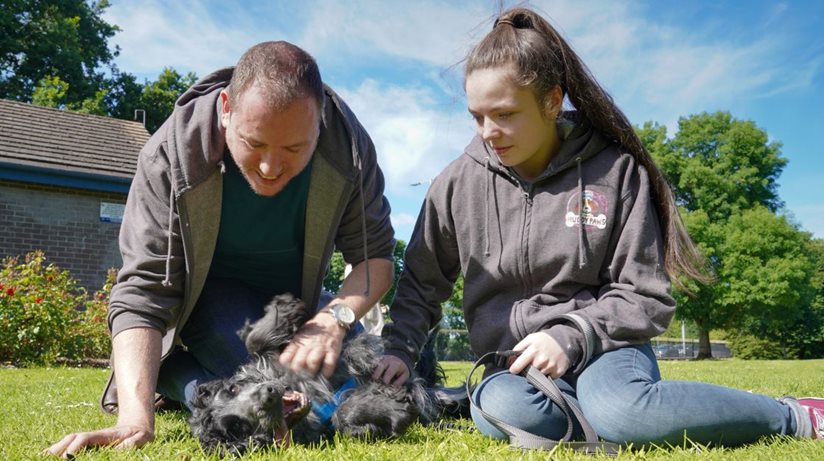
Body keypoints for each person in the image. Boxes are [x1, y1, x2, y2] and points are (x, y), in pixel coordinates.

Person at [374, 7, 823, 448]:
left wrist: (569, 335)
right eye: (478, 116)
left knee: (621, 409)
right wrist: (399, 349)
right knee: (498, 411)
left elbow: (646, 294)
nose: (489, 131)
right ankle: (614, 421)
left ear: (552, 101)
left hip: (607, 347)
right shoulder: (456, 183)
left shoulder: (616, 170)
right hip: (515, 366)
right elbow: (421, 284)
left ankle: (794, 415)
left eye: (505, 114)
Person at [47, 41, 395, 458]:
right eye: (254, 143)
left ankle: (177, 376)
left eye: (293, 149)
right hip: (207, 303)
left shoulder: (350, 152)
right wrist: (134, 420)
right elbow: (143, 290)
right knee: (281, 405)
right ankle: (177, 375)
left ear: (319, 122)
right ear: (226, 108)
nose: (270, 168)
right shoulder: (168, 158)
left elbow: (375, 261)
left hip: (293, 305)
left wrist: (333, 321)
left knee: (366, 383)